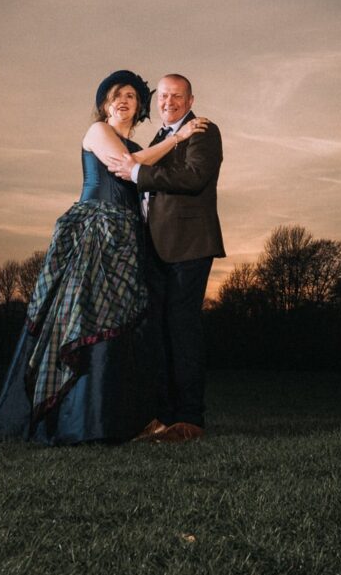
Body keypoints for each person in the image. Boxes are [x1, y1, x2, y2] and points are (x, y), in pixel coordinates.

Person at [0, 70, 208, 445]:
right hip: (95, 233)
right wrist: (179, 137)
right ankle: (78, 421)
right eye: (115, 95)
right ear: (105, 104)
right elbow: (127, 165)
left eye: (131, 97)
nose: (123, 100)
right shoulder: (98, 133)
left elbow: (144, 175)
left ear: (139, 109)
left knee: (123, 328)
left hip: (125, 237)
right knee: (84, 321)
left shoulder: (133, 140)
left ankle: (119, 418)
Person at [109, 73, 224, 443]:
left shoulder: (204, 130)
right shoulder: (160, 138)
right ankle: (163, 416)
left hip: (189, 244)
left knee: (182, 329)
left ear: (190, 101)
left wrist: (139, 172)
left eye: (177, 96)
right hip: (156, 249)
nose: (168, 101)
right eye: (163, 96)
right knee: (157, 333)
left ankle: (190, 419)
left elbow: (193, 177)